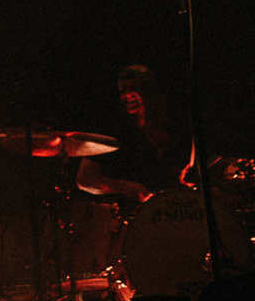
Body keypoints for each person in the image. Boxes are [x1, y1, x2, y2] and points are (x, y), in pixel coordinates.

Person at [77, 64, 191, 205]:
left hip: (177, 208)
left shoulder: (176, 126)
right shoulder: (113, 128)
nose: (127, 94)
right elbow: (85, 179)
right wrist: (125, 187)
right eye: (123, 90)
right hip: (131, 215)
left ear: (150, 91)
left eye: (134, 88)